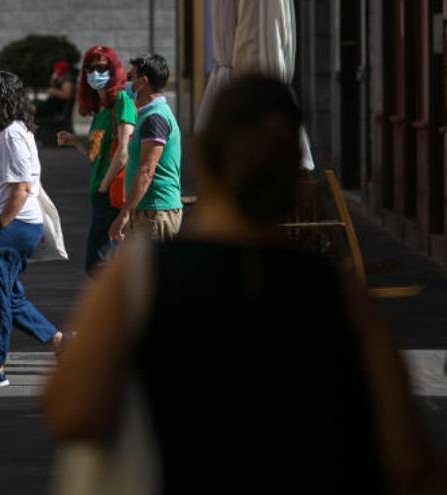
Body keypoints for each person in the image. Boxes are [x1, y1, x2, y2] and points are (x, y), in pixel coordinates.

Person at [44, 75, 447, 493]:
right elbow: (410, 460)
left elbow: (71, 409)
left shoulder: (137, 279)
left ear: (203, 161)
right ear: (294, 170)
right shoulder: (338, 295)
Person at [0, 70, 65, 387]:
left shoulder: (14, 136)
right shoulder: (5, 135)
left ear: (4, 99)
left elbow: (21, 187)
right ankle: (61, 343)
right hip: (7, 227)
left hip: (11, 228)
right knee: (10, 297)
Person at [57, 46, 136, 274]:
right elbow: (95, 153)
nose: (94, 73)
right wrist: (74, 140)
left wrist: (103, 188)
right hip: (100, 193)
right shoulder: (101, 110)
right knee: (103, 263)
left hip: (110, 195)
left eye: (101, 67)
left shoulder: (122, 101)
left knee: (98, 264)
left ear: (114, 71)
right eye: (90, 68)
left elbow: (123, 152)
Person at [108, 53, 182, 243]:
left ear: (143, 81)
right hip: (146, 211)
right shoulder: (146, 114)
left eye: (130, 77)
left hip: (155, 212)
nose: (126, 82)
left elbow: (147, 170)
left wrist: (123, 215)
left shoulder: (155, 118)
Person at [35, 60, 76, 125]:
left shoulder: (66, 80)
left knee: (36, 111)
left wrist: (54, 91)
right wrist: (53, 80)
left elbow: (67, 95)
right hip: (52, 106)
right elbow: (52, 87)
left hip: (57, 109)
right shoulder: (60, 79)